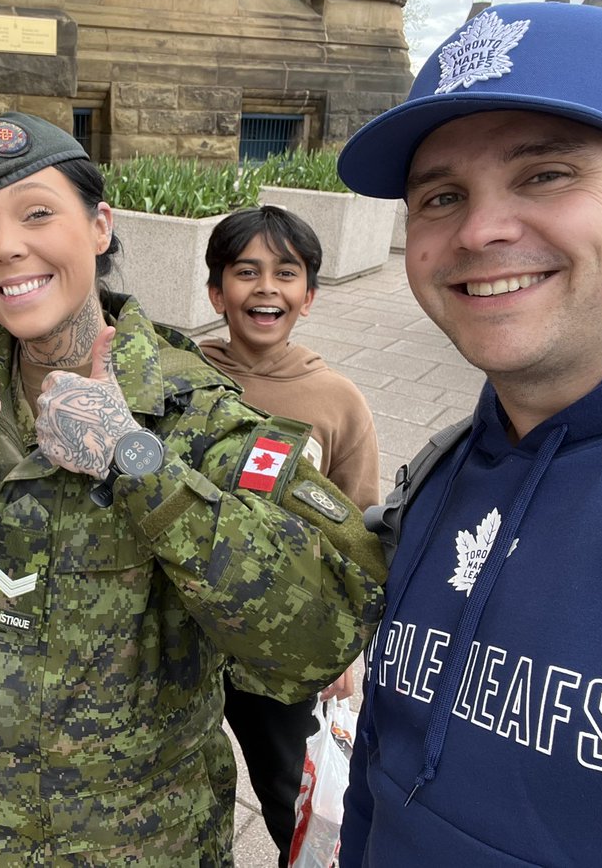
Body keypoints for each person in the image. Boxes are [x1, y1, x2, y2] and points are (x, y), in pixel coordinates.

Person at [0, 110, 388, 865]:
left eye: (37, 213)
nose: (7, 245)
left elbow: (320, 638)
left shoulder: (197, 415)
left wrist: (138, 466)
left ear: (100, 226)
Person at [333, 1, 602, 865]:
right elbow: (382, 767)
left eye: (546, 175)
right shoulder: (443, 473)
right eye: (442, 196)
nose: (481, 231)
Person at [200, 205, 380, 864]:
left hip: (279, 649)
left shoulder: (337, 400)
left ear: (308, 295)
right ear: (217, 291)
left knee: (296, 802)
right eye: (245, 271)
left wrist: (348, 645)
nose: (265, 287)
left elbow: (360, 532)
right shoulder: (179, 381)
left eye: (286, 272)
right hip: (179, 639)